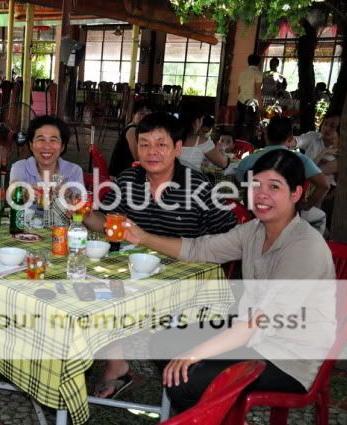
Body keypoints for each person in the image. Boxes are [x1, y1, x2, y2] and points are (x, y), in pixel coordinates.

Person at [125, 149, 336, 413]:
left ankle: (211, 415)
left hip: (288, 357)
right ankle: (211, 414)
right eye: (255, 185)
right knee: (162, 344)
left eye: (274, 187)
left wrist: (195, 353)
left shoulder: (305, 247)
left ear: (296, 193)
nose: (261, 195)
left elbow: (261, 321)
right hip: (251, 334)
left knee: (187, 381)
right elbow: (200, 249)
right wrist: (143, 237)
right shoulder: (255, 230)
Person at [84, 112, 237, 398]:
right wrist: (83, 212)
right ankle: (116, 365)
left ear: (177, 148)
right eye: (144, 144)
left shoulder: (198, 186)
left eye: (160, 144)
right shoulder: (128, 179)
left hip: (183, 281)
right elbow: (104, 223)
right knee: (91, 286)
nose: (151, 152)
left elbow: (231, 236)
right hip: (135, 275)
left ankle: (183, 383)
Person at [236, 116, 329, 234]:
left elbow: (240, 184)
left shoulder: (247, 161)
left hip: (256, 216)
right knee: (320, 217)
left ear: (265, 135)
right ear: (290, 139)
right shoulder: (300, 160)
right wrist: (307, 205)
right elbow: (324, 185)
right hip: (288, 218)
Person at [9, 115, 84, 225]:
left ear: (62, 146)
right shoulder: (21, 167)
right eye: (41, 140)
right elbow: (13, 189)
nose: (47, 146)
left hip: (61, 231)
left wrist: (70, 195)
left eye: (53, 140)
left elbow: (80, 207)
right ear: (31, 145)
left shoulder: (73, 171)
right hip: (27, 230)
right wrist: (25, 193)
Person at [108, 100, 152, 177]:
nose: (145, 117)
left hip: (126, 171)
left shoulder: (138, 129)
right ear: (133, 114)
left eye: (148, 114)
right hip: (119, 176)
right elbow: (138, 157)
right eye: (142, 113)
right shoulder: (132, 130)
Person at [235, 54, 263, 147]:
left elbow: (239, 90)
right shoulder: (258, 73)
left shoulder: (242, 73)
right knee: (250, 127)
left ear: (248, 62)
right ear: (258, 63)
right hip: (252, 104)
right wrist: (260, 106)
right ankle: (249, 147)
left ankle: (235, 145)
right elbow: (257, 91)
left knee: (238, 126)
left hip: (240, 102)